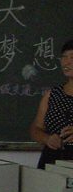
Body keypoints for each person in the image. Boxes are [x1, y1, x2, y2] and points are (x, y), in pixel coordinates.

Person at [30, 39, 73, 169]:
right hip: (51, 162)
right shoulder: (53, 94)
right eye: (64, 57)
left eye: (72, 57)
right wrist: (47, 139)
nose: (67, 62)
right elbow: (36, 128)